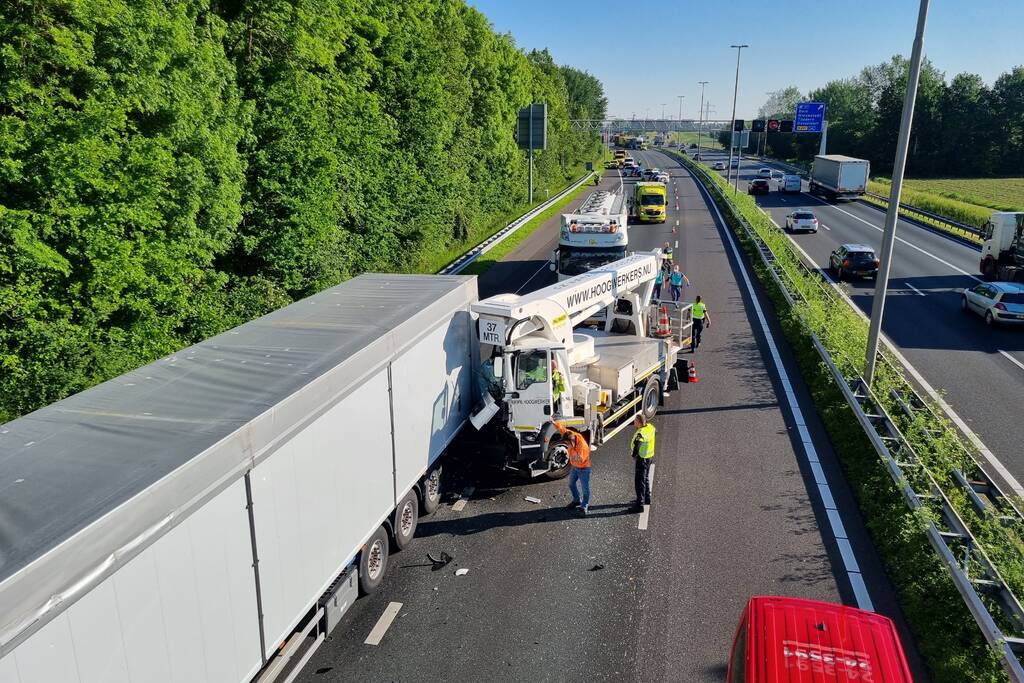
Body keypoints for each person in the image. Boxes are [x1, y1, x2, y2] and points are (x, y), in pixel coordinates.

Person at [551, 421, 592, 516]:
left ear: (572, 441)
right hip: (575, 468)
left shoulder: (583, 447)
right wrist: (554, 422)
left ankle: (584, 506)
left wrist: (572, 449)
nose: (567, 446)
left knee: (585, 489)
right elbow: (562, 429)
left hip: (583, 469)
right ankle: (577, 500)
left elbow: (580, 460)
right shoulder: (570, 435)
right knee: (571, 484)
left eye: (567, 444)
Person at [630, 414, 656, 512]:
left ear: (639, 422)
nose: (634, 422)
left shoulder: (641, 433)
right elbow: (654, 433)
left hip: (642, 459)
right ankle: (647, 498)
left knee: (639, 482)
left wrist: (634, 455)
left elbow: (637, 444)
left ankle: (639, 505)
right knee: (645, 478)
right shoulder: (650, 427)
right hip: (649, 457)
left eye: (635, 421)